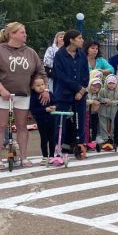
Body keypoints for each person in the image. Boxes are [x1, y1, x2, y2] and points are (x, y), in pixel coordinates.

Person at [0, 23, 50, 169]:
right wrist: (2, 90)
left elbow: (40, 71)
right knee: (1, 126)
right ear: (12, 34)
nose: (25, 34)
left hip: (23, 94)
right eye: (22, 32)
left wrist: (44, 88)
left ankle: (23, 157)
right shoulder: (1, 50)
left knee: (22, 126)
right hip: (3, 95)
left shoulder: (30, 52)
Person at [52, 29, 89, 158]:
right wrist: (77, 88)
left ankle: (80, 144)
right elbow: (61, 76)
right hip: (63, 93)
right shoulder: (59, 55)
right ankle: (58, 147)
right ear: (72, 40)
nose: (82, 40)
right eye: (79, 38)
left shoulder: (82, 54)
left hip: (80, 93)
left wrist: (82, 90)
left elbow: (85, 74)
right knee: (60, 121)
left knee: (80, 120)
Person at [29, 75, 56, 165]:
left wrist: (54, 107)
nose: (41, 87)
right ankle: (45, 156)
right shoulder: (33, 97)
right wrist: (45, 109)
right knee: (44, 139)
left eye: (42, 84)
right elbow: (33, 110)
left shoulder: (50, 94)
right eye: (38, 85)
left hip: (52, 119)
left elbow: (56, 102)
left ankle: (52, 155)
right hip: (41, 121)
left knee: (52, 138)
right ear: (32, 87)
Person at [97, 74, 118, 150]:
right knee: (103, 124)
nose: (111, 85)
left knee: (113, 124)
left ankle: (111, 138)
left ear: (116, 83)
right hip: (103, 110)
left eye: (113, 83)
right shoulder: (102, 90)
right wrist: (105, 100)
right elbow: (99, 98)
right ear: (106, 83)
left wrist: (113, 102)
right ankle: (105, 139)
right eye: (109, 83)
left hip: (114, 110)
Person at [86, 76, 102, 149]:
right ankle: (86, 140)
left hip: (94, 113)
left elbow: (100, 101)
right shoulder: (86, 93)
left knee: (94, 126)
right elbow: (84, 101)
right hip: (86, 113)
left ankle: (93, 140)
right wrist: (92, 101)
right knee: (87, 127)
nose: (95, 88)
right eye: (94, 86)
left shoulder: (98, 95)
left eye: (98, 87)